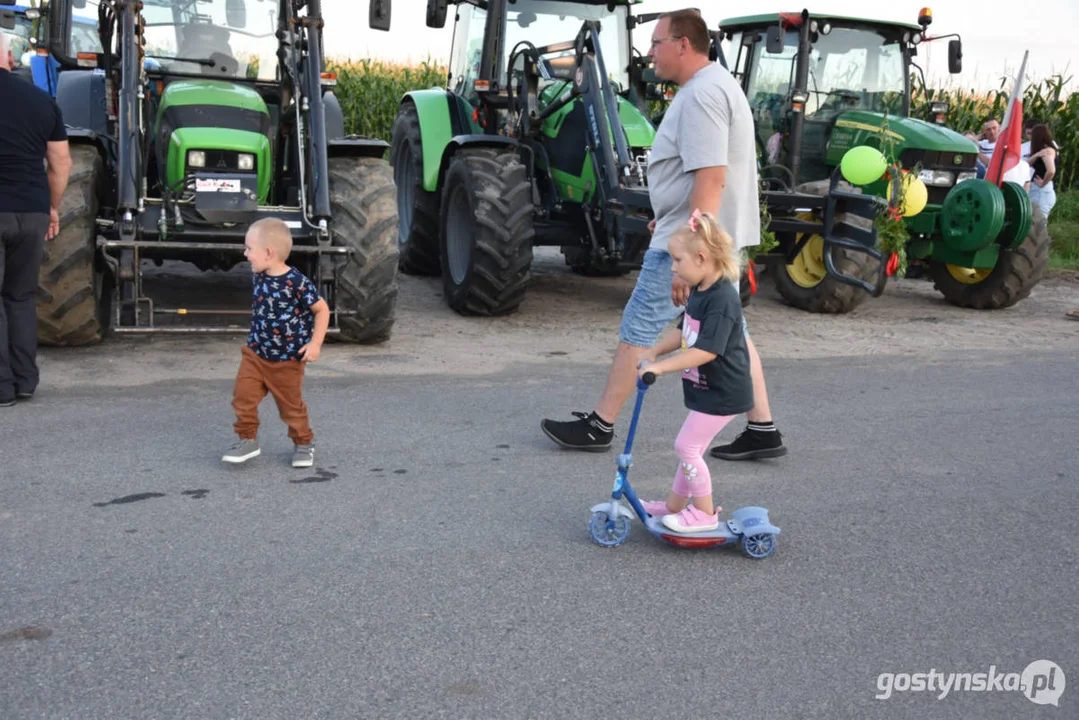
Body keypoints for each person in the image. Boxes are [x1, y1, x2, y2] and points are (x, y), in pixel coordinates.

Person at [540, 8, 787, 461]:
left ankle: (600, 425)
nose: (649, 52)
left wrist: (690, 253)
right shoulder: (714, 86)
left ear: (683, 45)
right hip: (710, 239)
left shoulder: (701, 96)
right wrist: (672, 212)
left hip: (696, 248)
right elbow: (700, 178)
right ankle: (762, 428)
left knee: (639, 327)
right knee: (732, 332)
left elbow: (711, 178)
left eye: (656, 43)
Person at [636, 210, 753, 532]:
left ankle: (704, 513)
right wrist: (655, 350)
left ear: (701, 258)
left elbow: (705, 351)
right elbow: (685, 329)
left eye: (677, 260)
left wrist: (660, 368)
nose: (673, 267)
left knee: (686, 448)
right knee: (692, 448)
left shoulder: (723, 299)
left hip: (725, 390)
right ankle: (674, 505)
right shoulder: (701, 291)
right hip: (707, 389)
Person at [0, 30, 72, 408]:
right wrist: (52, 207)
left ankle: (1, 387)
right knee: (21, 297)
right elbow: (61, 163)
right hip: (30, 212)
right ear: (10, 59)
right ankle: (25, 381)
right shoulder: (41, 100)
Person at [222, 218, 329, 468]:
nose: (245, 254)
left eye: (249, 249)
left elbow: (322, 310)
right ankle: (247, 440)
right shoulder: (259, 274)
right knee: (242, 398)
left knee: (291, 408)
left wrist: (315, 344)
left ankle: (303, 442)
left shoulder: (297, 282)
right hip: (255, 354)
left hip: (288, 360)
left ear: (269, 253)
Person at [1027, 124, 1058, 220]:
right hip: (1038, 191)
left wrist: (1043, 183)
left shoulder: (1047, 151)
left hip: (1041, 192)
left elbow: (1051, 170)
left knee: (1038, 226)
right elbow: (1026, 164)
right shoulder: (1042, 151)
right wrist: (1036, 155)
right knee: (1034, 225)